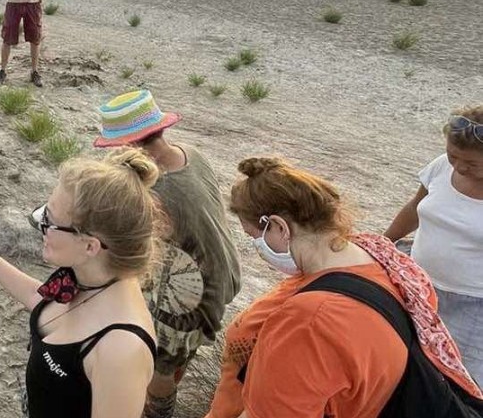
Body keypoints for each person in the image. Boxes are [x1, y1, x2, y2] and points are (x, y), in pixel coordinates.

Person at [206, 156, 482, 418]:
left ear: (279, 226)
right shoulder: (382, 261)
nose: (257, 246)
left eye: (254, 235)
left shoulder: (312, 322)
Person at [0, 147, 164, 418]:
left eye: (51, 222)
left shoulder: (119, 350)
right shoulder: (90, 278)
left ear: (90, 246)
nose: (41, 226)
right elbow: (44, 302)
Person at [93, 89, 241, 418]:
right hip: (220, 271)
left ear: (129, 145)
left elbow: (127, 247)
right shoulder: (190, 153)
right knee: (176, 358)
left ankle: (157, 409)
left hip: (193, 294)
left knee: (163, 364)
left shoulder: (157, 191)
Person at [385, 105, 483, 383]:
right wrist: (384, 241)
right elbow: (415, 208)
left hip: (473, 305)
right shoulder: (441, 166)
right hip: (417, 285)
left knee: (462, 380)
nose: (460, 167)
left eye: (472, 163)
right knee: (408, 363)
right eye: (454, 156)